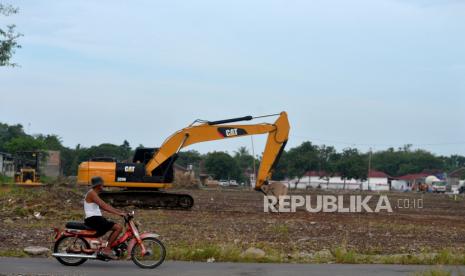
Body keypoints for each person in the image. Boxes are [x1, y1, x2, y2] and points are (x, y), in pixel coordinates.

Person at [84, 176, 126, 259]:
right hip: (93, 219)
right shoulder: (92, 193)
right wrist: (120, 213)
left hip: (96, 218)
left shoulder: (94, 193)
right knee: (118, 228)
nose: (103, 185)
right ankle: (107, 249)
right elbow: (104, 206)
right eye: (102, 184)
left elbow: (105, 206)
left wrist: (121, 212)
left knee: (113, 226)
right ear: (98, 185)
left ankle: (105, 246)